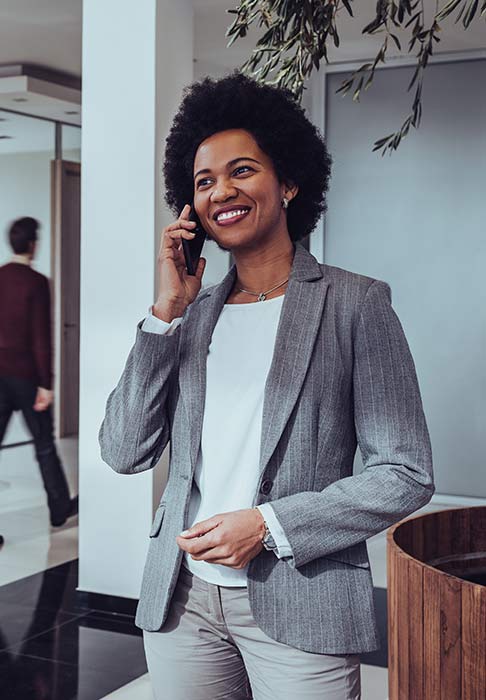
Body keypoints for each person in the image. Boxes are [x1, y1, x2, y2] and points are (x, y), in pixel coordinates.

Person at [99, 72, 434, 700]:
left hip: (302, 600)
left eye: (242, 171)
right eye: (203, 182)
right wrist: (165, 312)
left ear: (289, 183)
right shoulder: (189, 316)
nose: (221, 191)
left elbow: (405, 471)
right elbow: (124, 450)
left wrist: (268, 525)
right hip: (182, 602)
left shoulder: (355, 304)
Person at [0, 217, 77, 545]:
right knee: (44, 446)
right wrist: (46, 384)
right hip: (27, 379)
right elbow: (41, 338)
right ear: (33, 244)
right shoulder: (35, 282)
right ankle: (59, 509)